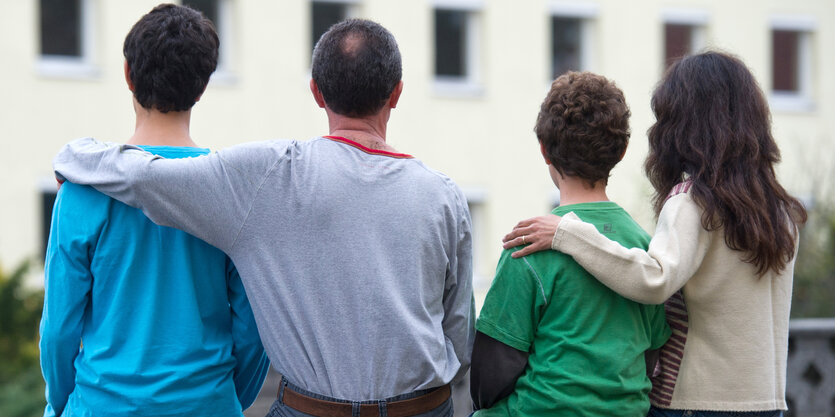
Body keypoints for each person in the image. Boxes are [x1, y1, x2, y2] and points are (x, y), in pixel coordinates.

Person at [53, 18, 474, 417]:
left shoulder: (265, 178)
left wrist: (75, 155)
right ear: (397, 92)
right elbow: (459, 332)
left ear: (316, 91)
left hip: (300, 408)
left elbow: (143, 176)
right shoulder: (445, 196)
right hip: (420, 407)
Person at [502, 51, 807, 417]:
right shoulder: (780, 210)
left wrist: (568, 233)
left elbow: (655, 279)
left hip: (694, 401)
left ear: (685, 124)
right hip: (765, 402)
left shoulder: (694, 202)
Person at [39, 4, 269, 417]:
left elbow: (58, 330)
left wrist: (60, 402)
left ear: (127, 74)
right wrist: (223, 400)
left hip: (100, 406)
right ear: (202, 87)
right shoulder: (233, 195)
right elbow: (255, 331)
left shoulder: (80, 193)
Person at [469, 71, 670, 416]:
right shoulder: (647, 251)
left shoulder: (527, 246)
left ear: (545, 150)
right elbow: (652, 354)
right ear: (622, 151)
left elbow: (489, 378)